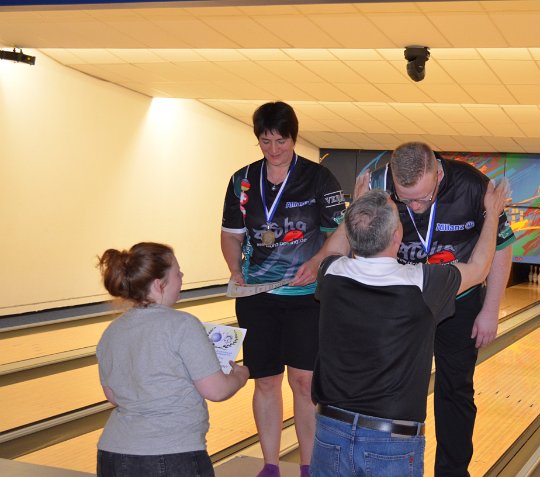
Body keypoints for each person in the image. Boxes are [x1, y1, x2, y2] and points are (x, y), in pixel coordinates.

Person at [300, 142, 515, 476]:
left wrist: (490, 309)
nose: (414, 208)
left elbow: (500, 247)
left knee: (456, 390)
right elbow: (477, 265)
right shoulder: (379, 184)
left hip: (456, 301)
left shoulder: (473, 186)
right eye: (405, 200)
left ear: (438, 174)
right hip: (403, 298)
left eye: (423, 198)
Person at [220, 101, 345, 477]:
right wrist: (235, 269)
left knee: (304, 382)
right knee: (266, 380)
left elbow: (339, 233)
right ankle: (270, 465)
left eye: (281, 141)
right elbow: (231, 235)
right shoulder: (242, 180)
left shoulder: (319, 178)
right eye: (265, 141)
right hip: (257, 298)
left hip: (307, 297)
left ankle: (308, 466)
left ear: (294, 138)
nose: (273, 149)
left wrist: (318, 260)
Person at [95, 242, 249, 477]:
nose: (182, 276)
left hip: (113, 454)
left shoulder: (112, 331)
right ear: (159, 284)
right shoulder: (183, 324)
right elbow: (216, 390)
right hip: (171, 453)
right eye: (178, 273)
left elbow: (113, 396)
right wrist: (239, 376)